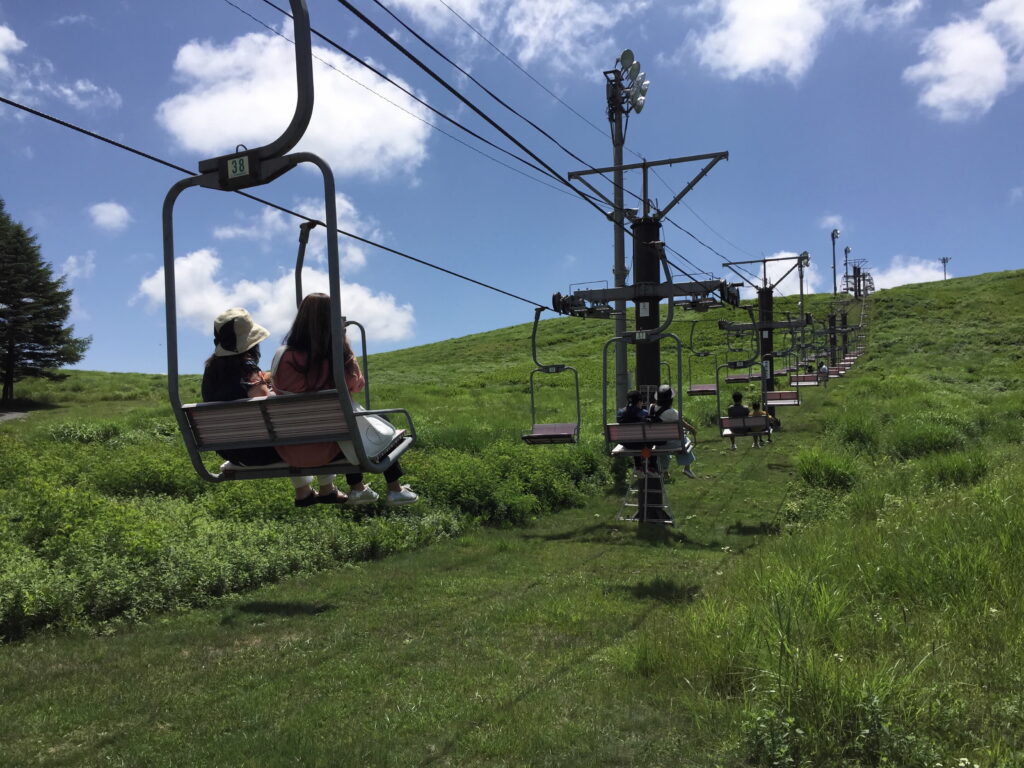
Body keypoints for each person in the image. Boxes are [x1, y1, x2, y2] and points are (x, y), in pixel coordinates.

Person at [273, 293, 418, 506]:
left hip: (290, 447)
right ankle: (394, 489)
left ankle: (360, 488)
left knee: (348, 424)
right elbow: (357, 386)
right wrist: (343, 343)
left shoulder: (284, 357)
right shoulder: (338, 355)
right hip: (332, 445)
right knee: (375, 421)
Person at [201, 307, 326, 508]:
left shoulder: (211, 371)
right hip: (259, 451)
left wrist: (263, 380)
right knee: (300, 425)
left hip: (232, 453)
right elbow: (266, 405)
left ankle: (304, 490)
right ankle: (327, 487)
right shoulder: (247, 368)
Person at [649, 384, 698, 478]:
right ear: (670, 399)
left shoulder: (651, 408)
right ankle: (687, 468)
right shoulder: (673, 413)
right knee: (685, 441)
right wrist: (692, 429)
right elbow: (682, 423)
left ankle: (664, 470)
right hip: (672, 443)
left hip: (658, 443)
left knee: (664, 448)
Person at [616, 389, 653, 474]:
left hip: (626, 443)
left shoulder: (620, 413)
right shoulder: (644, 413)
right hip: (641, 444)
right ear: (639, 402)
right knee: (645, 442)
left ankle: (638, 466)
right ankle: (649, 464)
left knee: (635, 439)